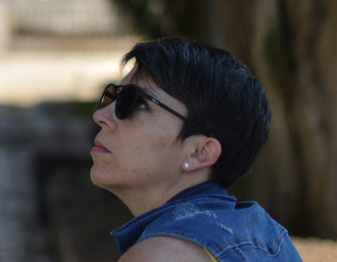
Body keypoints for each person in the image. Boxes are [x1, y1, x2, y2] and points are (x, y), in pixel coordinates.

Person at [90, 37, 303, 261]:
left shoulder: (161, 255)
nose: (100, 115)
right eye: (114, 96)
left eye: (138, 103)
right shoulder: (271, 240)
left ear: (199, 152)